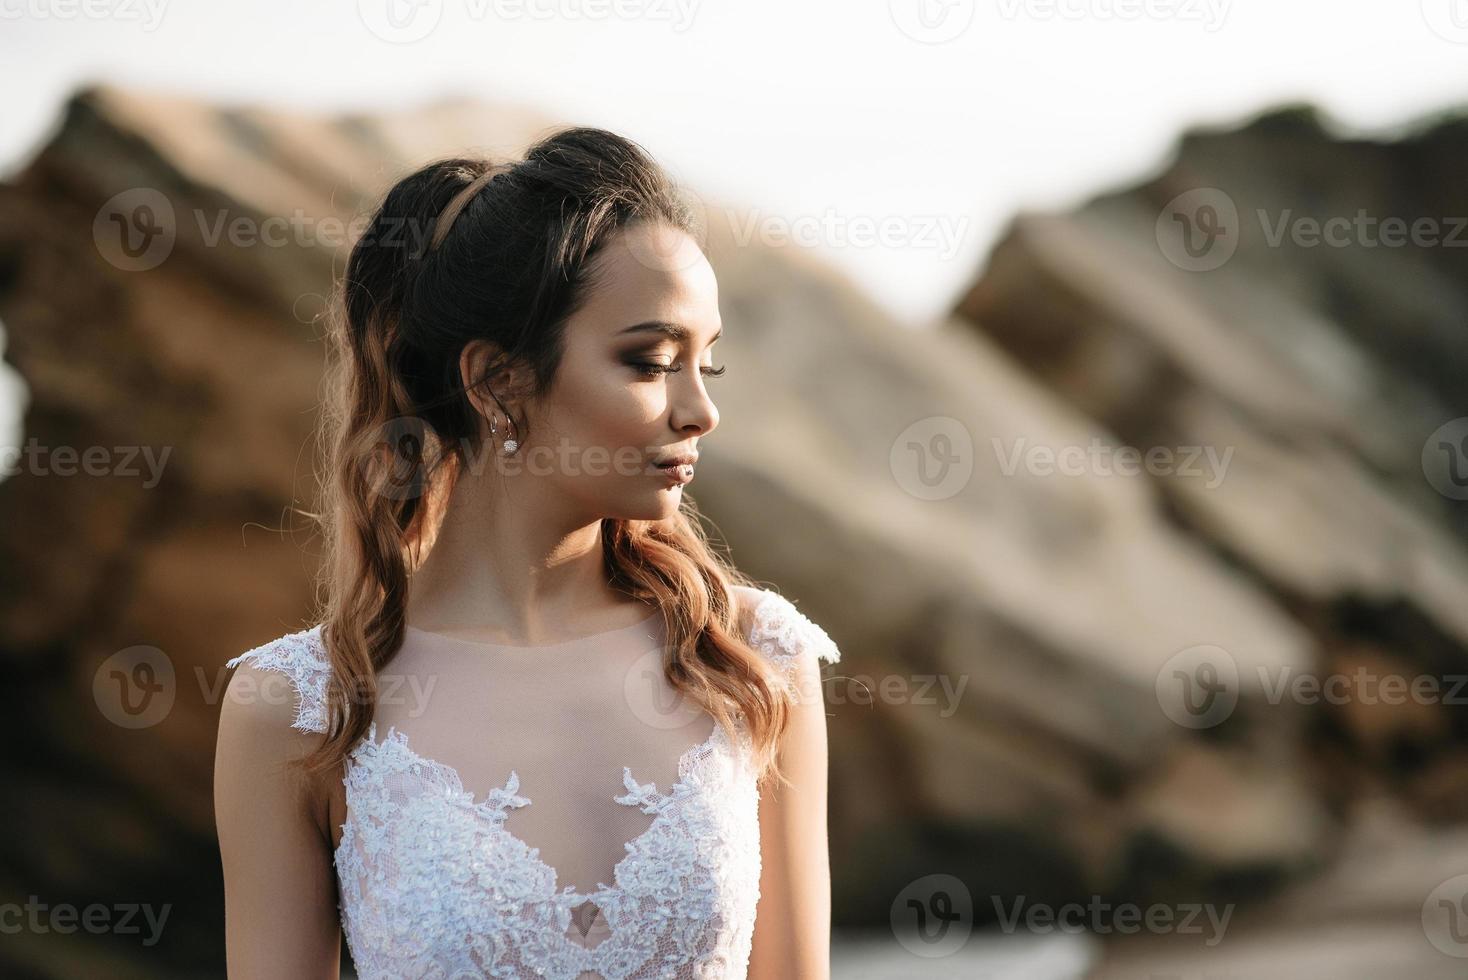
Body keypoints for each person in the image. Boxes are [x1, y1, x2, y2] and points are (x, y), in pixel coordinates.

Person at [213, 126, 841, 979]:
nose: (700, 411)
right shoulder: (297, 710)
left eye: (708, 365)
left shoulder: (752, 662)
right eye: (653, 361)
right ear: (497, 381)